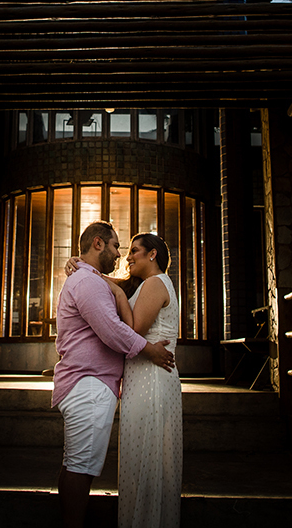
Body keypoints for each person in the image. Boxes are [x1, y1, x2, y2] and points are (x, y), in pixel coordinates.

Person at [53, 221, 175, 528]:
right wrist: (150, 349)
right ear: (98, 243)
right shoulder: (88, 282)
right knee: (81, 466)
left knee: (77, 463)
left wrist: (81, 266)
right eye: (117, 246)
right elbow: (112, 330)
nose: (121, 254)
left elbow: (118, 302)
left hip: (94, 384)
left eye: (130, 249)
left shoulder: (92, 279)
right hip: (89, 385)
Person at [115, 233, 183, 528]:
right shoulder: (148, 285)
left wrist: (116, 293)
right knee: (141, 455)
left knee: (147, 457)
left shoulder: (156, 284)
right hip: (144, 377)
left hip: (151, 382)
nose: (128, 257)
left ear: (152, 254)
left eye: (135, 251)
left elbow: (135, 328)